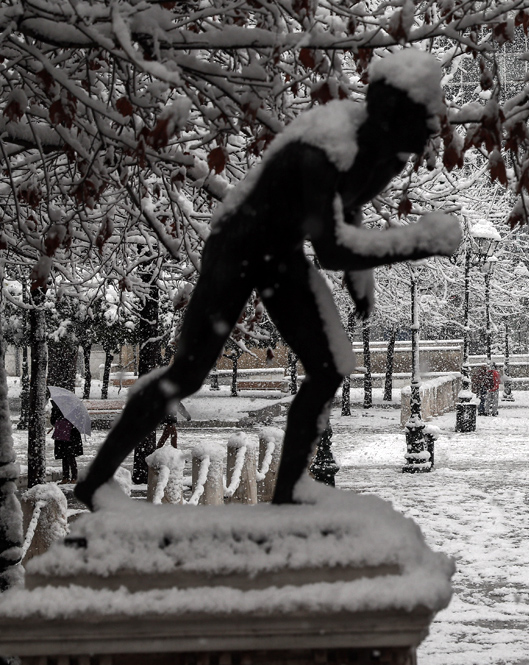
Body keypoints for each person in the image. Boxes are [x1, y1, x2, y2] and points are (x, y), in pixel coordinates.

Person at [74, 49, 462, 510]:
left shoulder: (388, 153)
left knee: (328, 368)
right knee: (188, 373)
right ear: (391, 117)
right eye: (423, 125)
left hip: (279, 252)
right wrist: (422, 239)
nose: (430, 136)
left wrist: (363, 277)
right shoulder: (324, 151)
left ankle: (286, 499)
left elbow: (347, 207)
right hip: (236, 246)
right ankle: (95, 480)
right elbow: (333, 248)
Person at [51, 403, 83, 484]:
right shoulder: (71, 406)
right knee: (66, 456)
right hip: (66, 434)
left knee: (67, 456)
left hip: (67, 434)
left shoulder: (59, 406)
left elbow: (53, 420)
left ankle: (70, 477)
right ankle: (69, 477)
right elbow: (53, 420)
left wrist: (62, 422)